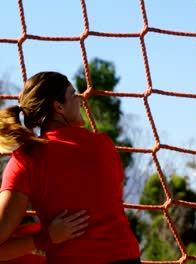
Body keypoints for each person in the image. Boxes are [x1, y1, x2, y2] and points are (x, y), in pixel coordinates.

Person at [0, 72, 141, 263]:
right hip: (127, 258)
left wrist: (44, 237)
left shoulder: (26, 159)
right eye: (73, 94)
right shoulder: (104, 145)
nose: (80, 101)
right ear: (58, 107)